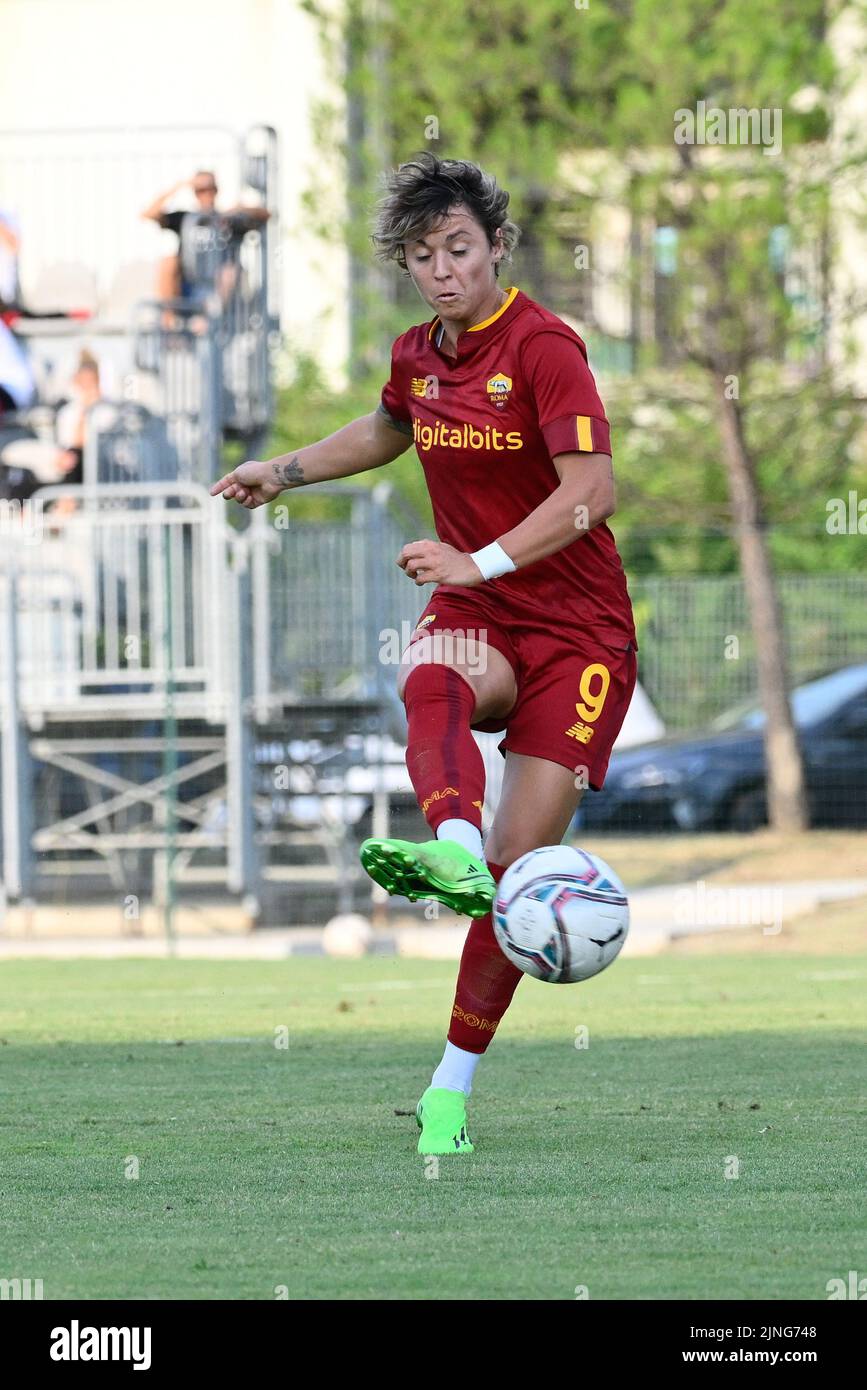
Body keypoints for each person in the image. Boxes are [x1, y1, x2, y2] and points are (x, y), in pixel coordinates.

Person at [209, 154, 637, 1156]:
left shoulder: (544, 347)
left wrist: (479, 558)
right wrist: (284, 469)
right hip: (478, 600)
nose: (443, 269)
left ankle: (449, 1089)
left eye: (457, 248)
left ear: (496, 246)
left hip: (579, 632)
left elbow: (592, 494)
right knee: (431, 671)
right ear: (406, 267)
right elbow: (390, 426)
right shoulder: (418, 354)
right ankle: (445, 844)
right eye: (422, 255)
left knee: (517, 868)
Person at [141, 171, 270, 311]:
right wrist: (178, 187)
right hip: (189, 282)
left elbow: (266, 215)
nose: (206, 194)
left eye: (210, 189)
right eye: (201, 190)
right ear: (195, 193)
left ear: (216, 190)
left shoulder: (227, 219)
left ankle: (210, 317)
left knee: (230, 271)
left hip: (219, 285)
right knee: (168, 262)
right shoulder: (185, 218)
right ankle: (170, 323)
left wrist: (240, 208)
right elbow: (149, 214)